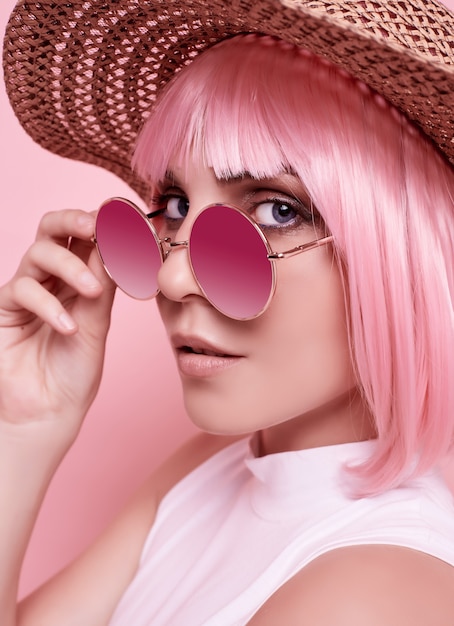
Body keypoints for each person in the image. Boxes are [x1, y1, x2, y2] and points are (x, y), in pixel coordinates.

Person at [1, 0, 454, 624]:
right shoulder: (211, 469)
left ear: (402, 254)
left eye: (278, 210)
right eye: (177, 204)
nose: (173, 275)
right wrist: (23, 428)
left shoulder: (369, 594)